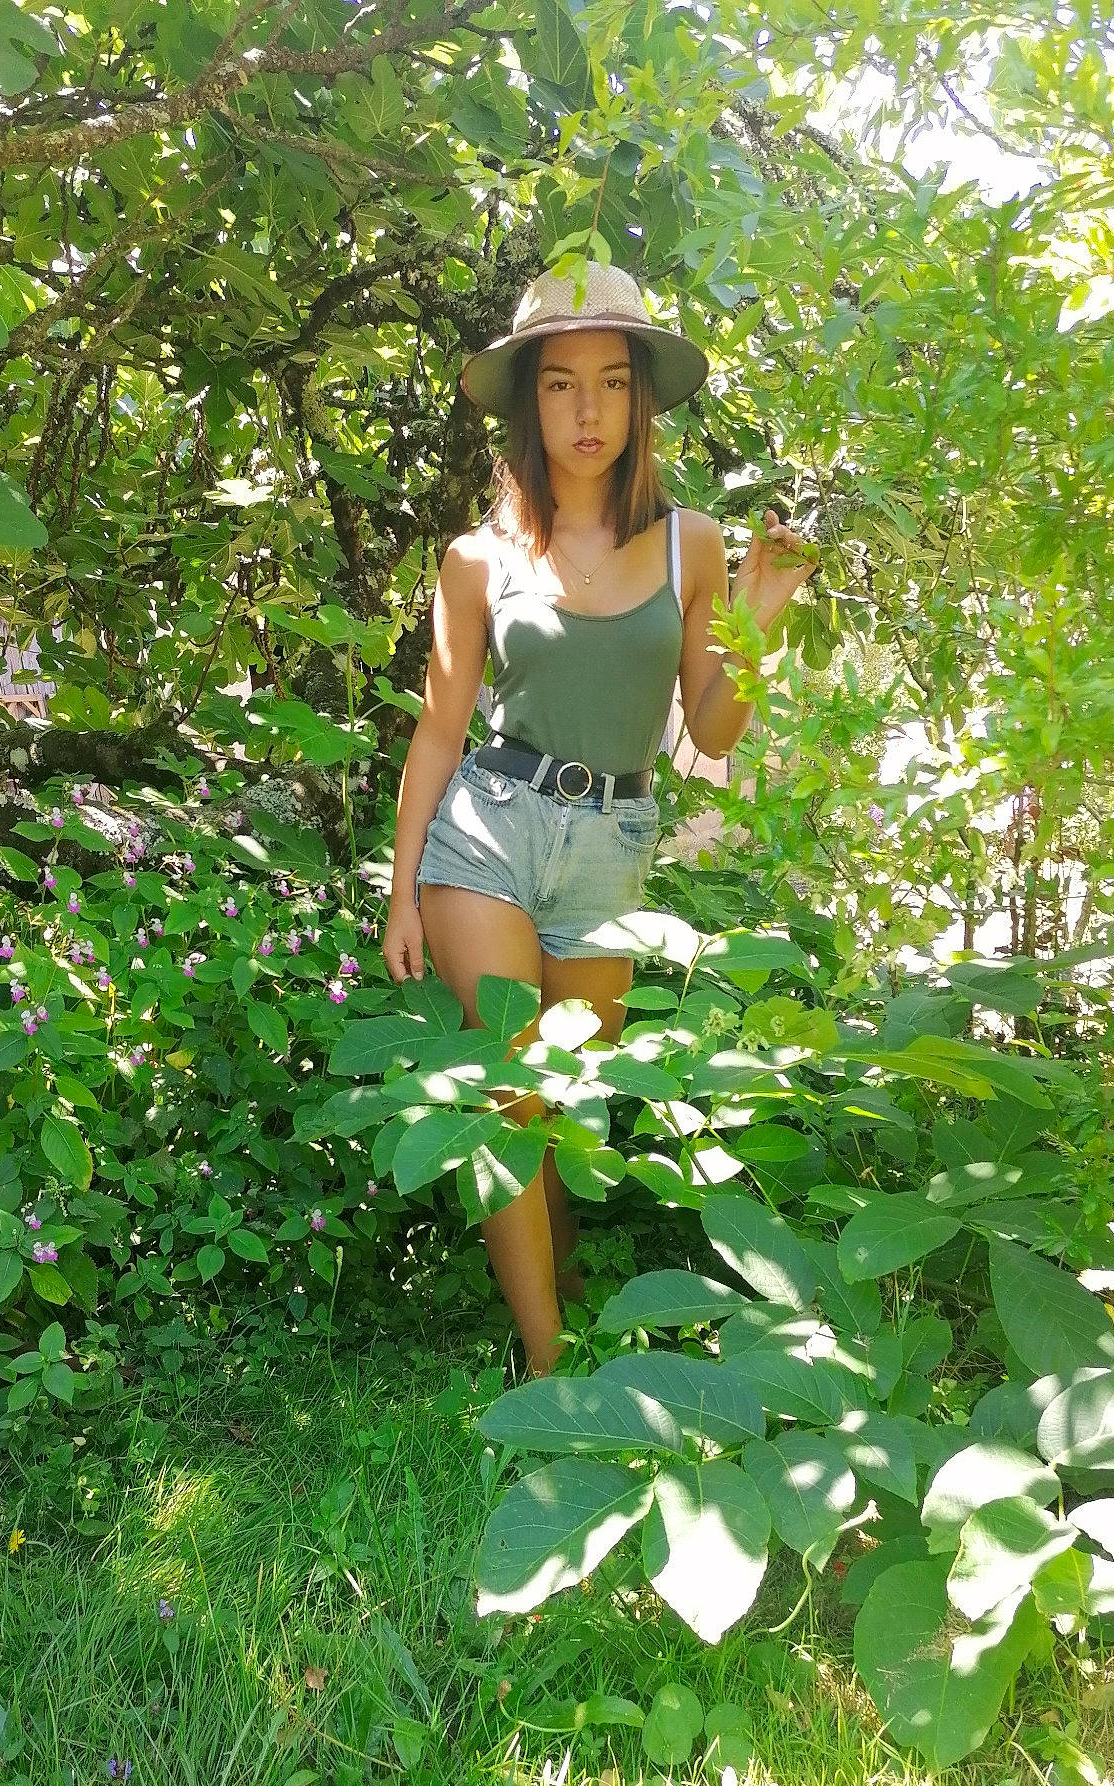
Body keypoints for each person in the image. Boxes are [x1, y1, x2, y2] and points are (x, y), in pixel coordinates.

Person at [381, 260, 817, 1379]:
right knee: (511, 1086)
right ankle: (548, 1366)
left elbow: (712, 731)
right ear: (531, 400)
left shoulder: (694, 545)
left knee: (564, 1109)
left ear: (641, 401)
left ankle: (560, 1291)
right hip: (488, 833)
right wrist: (399, 889)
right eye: (563, 384)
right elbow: (437, 729)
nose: (589, 411)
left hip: (611, 856)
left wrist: (757, 623)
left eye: (612, 384)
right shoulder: (477, 560)